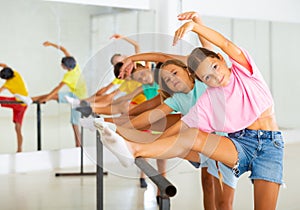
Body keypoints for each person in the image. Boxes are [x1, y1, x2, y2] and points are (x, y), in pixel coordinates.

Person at [96, 14, 284, 210]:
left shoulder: (244, 69)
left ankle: (126, 136)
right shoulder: (208, 97)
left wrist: (196, 26)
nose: (215, 77)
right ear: (201, 79)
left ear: (221, 59)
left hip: (270, 145)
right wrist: (146, 145)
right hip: (237, 143)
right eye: (207, 77)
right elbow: (181, 129)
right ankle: (132, 148)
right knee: (189, 136)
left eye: (215, 67)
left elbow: (223, 44)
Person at [31, 41, 87, 147]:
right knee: (53, 96)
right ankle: (30, 99)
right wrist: (51, 44)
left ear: (66, 66)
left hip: (79, 99)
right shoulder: (76, 66)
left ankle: (78, 146)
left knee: (75, 123)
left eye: (62, 64)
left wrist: (47, 98)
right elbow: (64, 49)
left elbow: (57, 88)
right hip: (74, 94)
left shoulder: (69, 76)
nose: (61, 65)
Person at [0, 63, 31, 152]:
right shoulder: (16, 74)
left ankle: (19, 149)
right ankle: (19, 149)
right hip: (23, 105)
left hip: (18, 103)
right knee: (17, 128)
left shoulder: (8, 84)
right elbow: (4, 65)